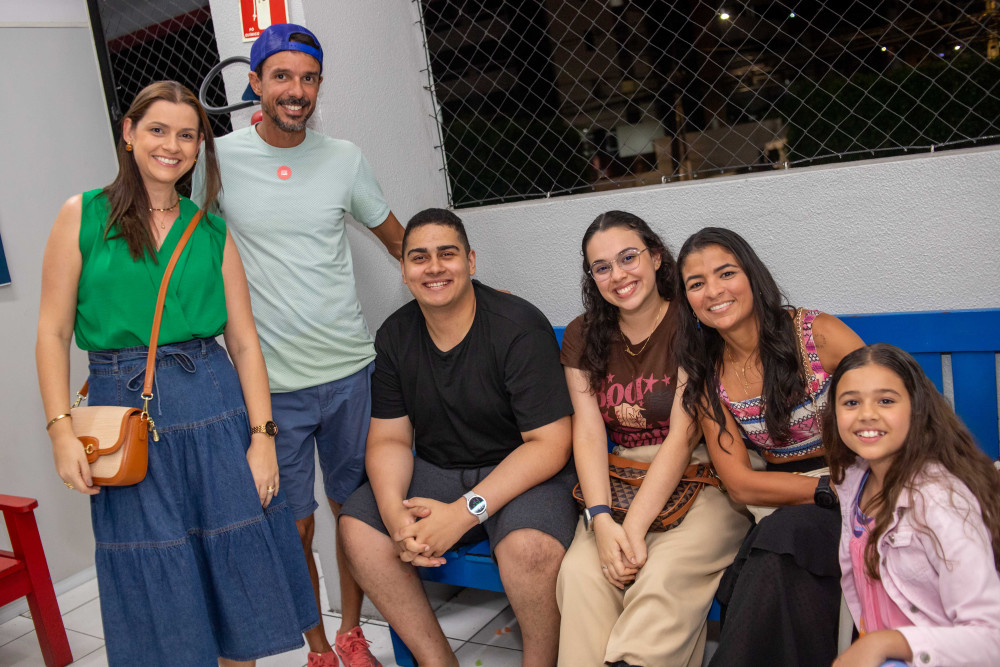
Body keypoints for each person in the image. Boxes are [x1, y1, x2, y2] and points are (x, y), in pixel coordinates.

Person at [36, 81, 317, 666]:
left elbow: (244, 343)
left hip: (215, 409)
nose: (172, 145)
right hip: (124, 416)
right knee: (155, 570)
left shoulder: (210, 230)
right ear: (129, 133)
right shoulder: (82, 215)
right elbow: (53, 333)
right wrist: (61, 430)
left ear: (199, 148)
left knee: (235, 573)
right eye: (158, 130)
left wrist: (263, 440)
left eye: (187, 135)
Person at [192, 23, 404, 667]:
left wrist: (461, 293)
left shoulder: (344, 158)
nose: (296, 90)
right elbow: (189, 256)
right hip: (269, 387)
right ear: (254, 82)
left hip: (349, 375)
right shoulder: (217, 160)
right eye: (282, 76)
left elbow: (400, 242)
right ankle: (317, 646)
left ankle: (352, 632)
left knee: (355, 514)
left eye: (309, 79)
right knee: (293, 524)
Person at [339, 208, 578, 667]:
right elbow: (389, 440)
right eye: (419, 258)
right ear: (404, 270)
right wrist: (393, 515)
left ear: (470, 261)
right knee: (358, 527)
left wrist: (463, 513)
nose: (434, 268)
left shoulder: (518, 326)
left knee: (528, 549)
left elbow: (549, 444)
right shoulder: (395, 335)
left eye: (446, 254)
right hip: (440, 470)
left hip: (523, 471)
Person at [555, 212, 750, 667]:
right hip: (623, 477)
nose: (618, 275)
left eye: (629, 258)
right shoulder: (584, 333)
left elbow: (684, 435)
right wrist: (601, 520)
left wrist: (632, 530)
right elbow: (588, 430)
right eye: (602, 267)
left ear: (656, 256)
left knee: (659, 576)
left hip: (704, 475)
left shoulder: (692, 321)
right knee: (581, 572)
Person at [675, 227, 865, 666]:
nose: (713, 291)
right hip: (793, 496)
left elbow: (892, 408)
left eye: (726, 273)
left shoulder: (816, 334)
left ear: (752, 275)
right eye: (697, 283)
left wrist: (853, 488)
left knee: (773, 553)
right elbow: (741, 484)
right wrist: (825, 491)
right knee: (766, 557)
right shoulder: (706, 374)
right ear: (687, 301)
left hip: (863, 484)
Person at [825, 344, 1000, 667]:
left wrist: (886, 643)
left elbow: (992, 639)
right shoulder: (853, 480)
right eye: (851, 402)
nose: (866, 414)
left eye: (886, 401)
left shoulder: (939, 500)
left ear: (916, 409)